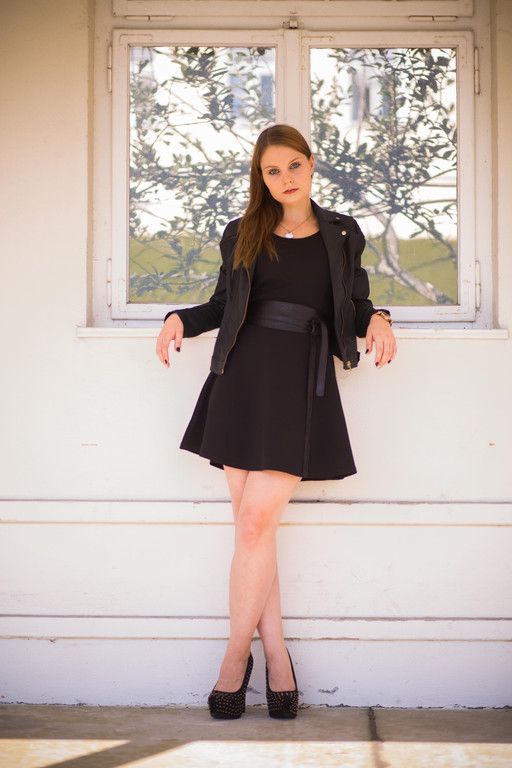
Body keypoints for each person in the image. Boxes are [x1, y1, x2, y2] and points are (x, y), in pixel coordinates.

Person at [156, 124, 397, 719]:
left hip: (300, 383)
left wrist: (378, 319)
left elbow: (354, 303)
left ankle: (232, 662)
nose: (285, 178)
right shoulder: (242, 232)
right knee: (252, 532)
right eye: (272, 170)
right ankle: (277, 659)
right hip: (240, 378)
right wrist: (179, 319)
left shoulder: (343, 232)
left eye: (293, 165)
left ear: (311, 165)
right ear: (260, 179)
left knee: (255, 524)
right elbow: (223, 305)